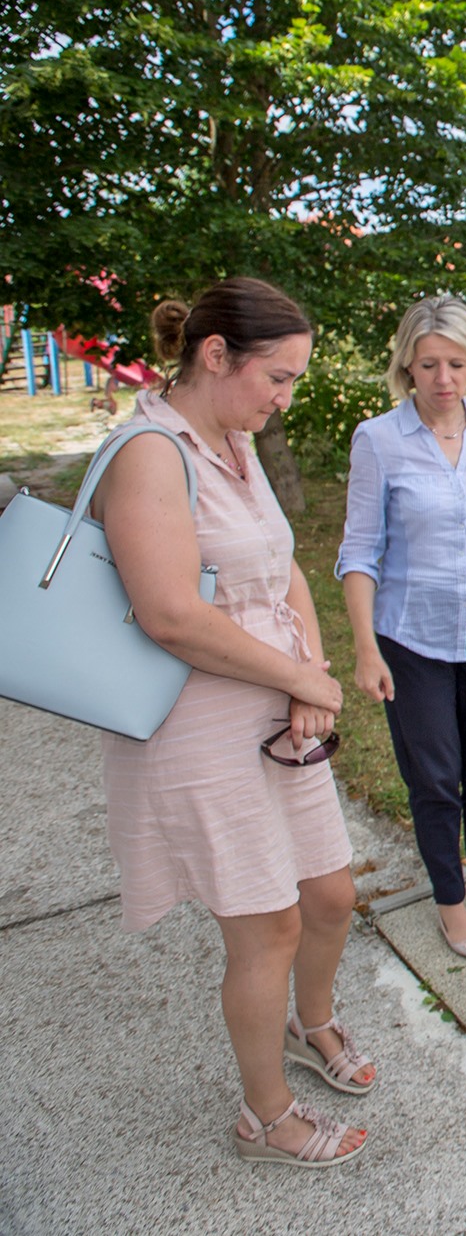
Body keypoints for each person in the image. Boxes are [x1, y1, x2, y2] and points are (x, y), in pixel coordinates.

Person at [97, 279, 369, 1167]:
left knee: (331, 893)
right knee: (268, 925)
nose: (284, 398)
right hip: (199, 723)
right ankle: (266, 1114)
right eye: (278, 378)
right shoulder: (150, 452)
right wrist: (298, 675)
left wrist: (309, 673)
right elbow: (170, 614)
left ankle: (311, 1022)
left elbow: (283, 568)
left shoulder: (233, 439)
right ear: (216, 355)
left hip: (276, 705)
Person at [337, 296, 466, 961]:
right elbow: (359, 552)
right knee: (434, 777)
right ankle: (450, 902)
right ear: (407, 366)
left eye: (456, 363)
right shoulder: (379, 440)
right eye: (429, 364)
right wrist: (365, 648)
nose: (444, 378)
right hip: (412, 638)